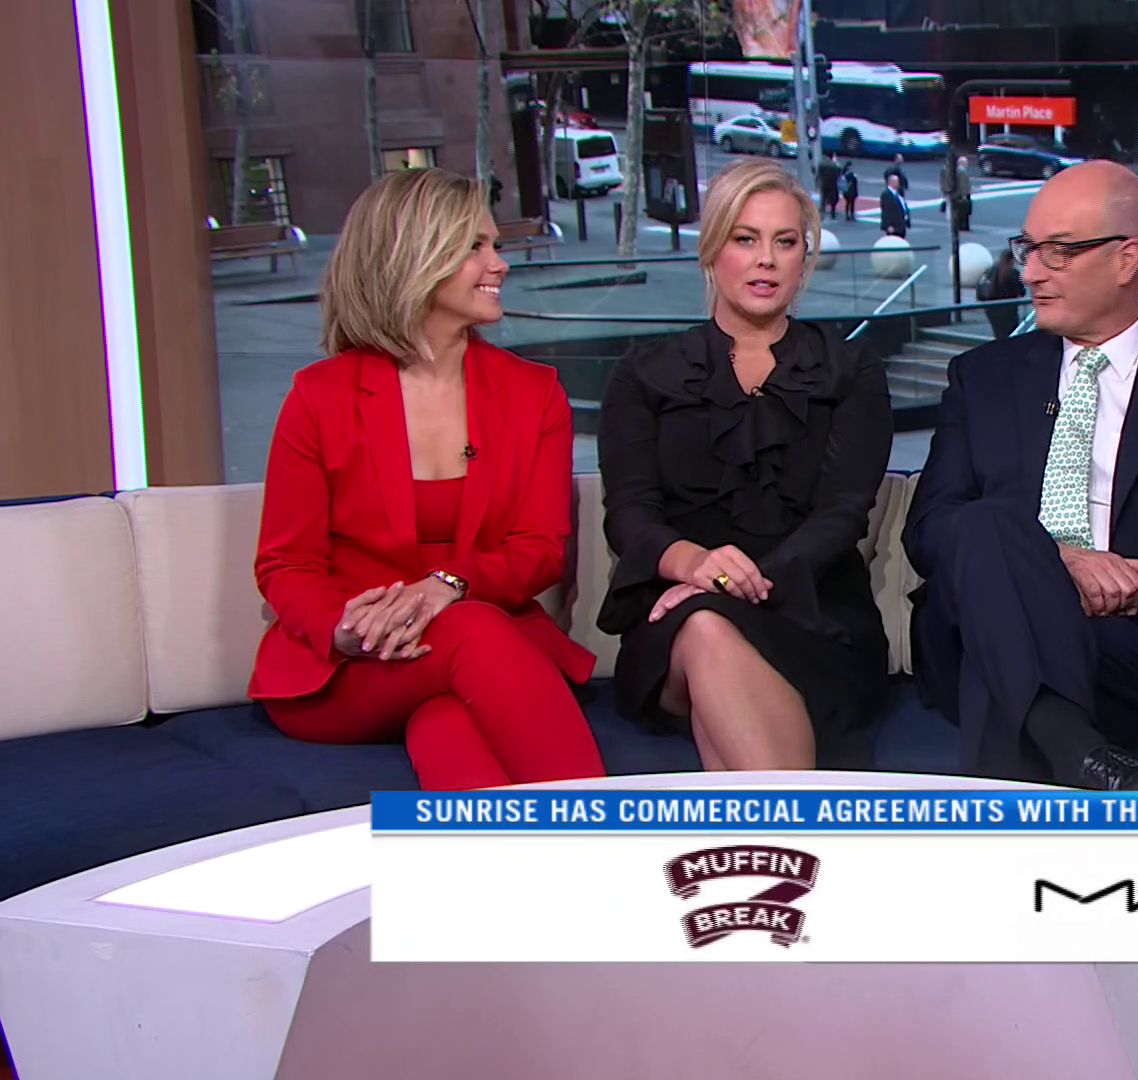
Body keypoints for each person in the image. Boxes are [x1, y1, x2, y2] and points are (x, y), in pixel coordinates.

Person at [905, 161, 1138, 791]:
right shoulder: (981, 376)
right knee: (986, 526)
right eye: (1027, 249)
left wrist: (1116, 586)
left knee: (999, 661)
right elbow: (930, 528)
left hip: (1129, 643)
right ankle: (1089, 760)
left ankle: (1064, 765)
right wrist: (1052, 566)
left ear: (1128, 259)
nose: (1030, 272)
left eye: (1058, 251)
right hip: (971, 623)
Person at [250, 168, 606, 791]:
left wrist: (447, 586)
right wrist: (346, 628)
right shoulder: (320, 398)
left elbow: (539, 550)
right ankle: (608, 837)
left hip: (479, 651)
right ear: (413, 258)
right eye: (475, 247)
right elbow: (287, 564)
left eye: (496, 245)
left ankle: (505, 857)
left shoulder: (534, 394)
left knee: (447, 722)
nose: (499, 264)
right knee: (472, 634)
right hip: (355, 667)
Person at [595, 159, 892, 770]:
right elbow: (629, 513)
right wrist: (695, 565)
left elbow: (842, 514)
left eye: (785, 242)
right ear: (712, 250)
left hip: (813, 616)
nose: (766, 260)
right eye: (745, 239)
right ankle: (794, 820)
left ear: (804, 259)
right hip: (677, 612)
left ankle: (761, 824)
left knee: (711, 627)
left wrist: (737, 582)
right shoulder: (644, 374)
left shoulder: (850, 371)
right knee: (705, 626)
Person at [979, 248, 1025, 340]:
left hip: (991, 309)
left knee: (999, 335)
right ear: (1011, 260)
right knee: (1011, 335)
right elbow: (1021, 292)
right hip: (1008, 310)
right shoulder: (1012, 273)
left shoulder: (990, 271)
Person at [946, 154, 973, 232]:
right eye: (966, 162)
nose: (967, 164)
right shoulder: (962, 171)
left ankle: (959, 225)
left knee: (959, 211)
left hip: (958, 194)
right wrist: (964, 195)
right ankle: (963, 226)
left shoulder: (957, 170)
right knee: (964, 211)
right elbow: (962, 184)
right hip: (962, 194)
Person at [818, 153, 842, 221]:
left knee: (823, 198)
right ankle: (832, 214)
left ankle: (821, 214)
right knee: (833, 199)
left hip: (824, 183)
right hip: (833, 184)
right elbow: (839, 173)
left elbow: (819, 174)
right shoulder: (835, 165)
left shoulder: (822, 164)